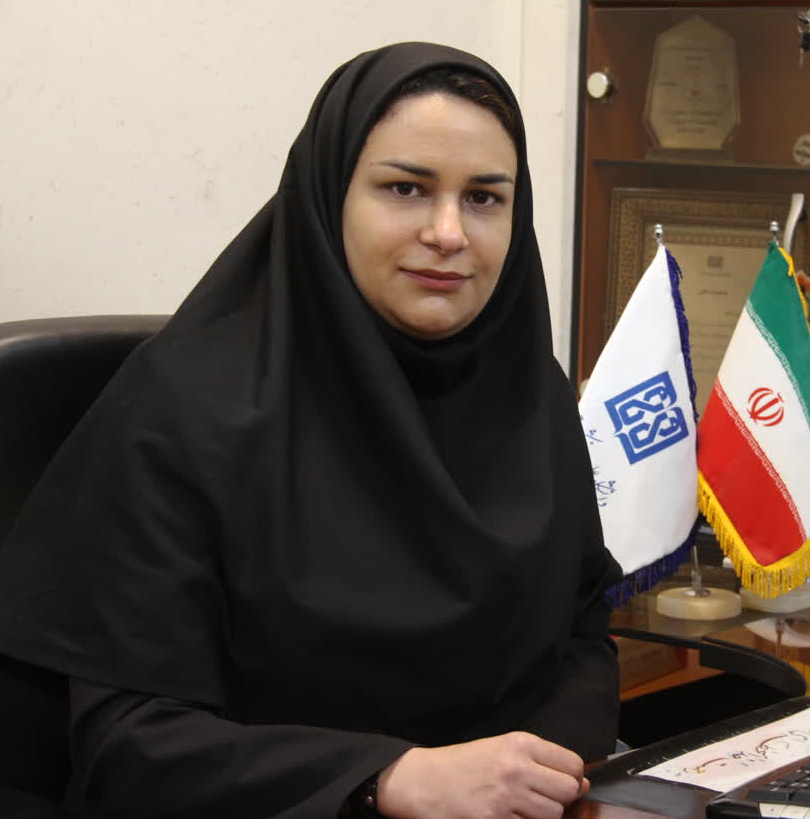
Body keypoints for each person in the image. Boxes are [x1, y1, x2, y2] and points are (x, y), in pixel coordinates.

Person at [0, 42, 622, 819]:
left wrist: (538, 768)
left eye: (483, 197)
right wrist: (389, 778)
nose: (448, 231)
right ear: (329, 195)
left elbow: (581, 634)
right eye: (405, 188)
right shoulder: (183, 409)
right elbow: (128, 741)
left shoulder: (528, 393)